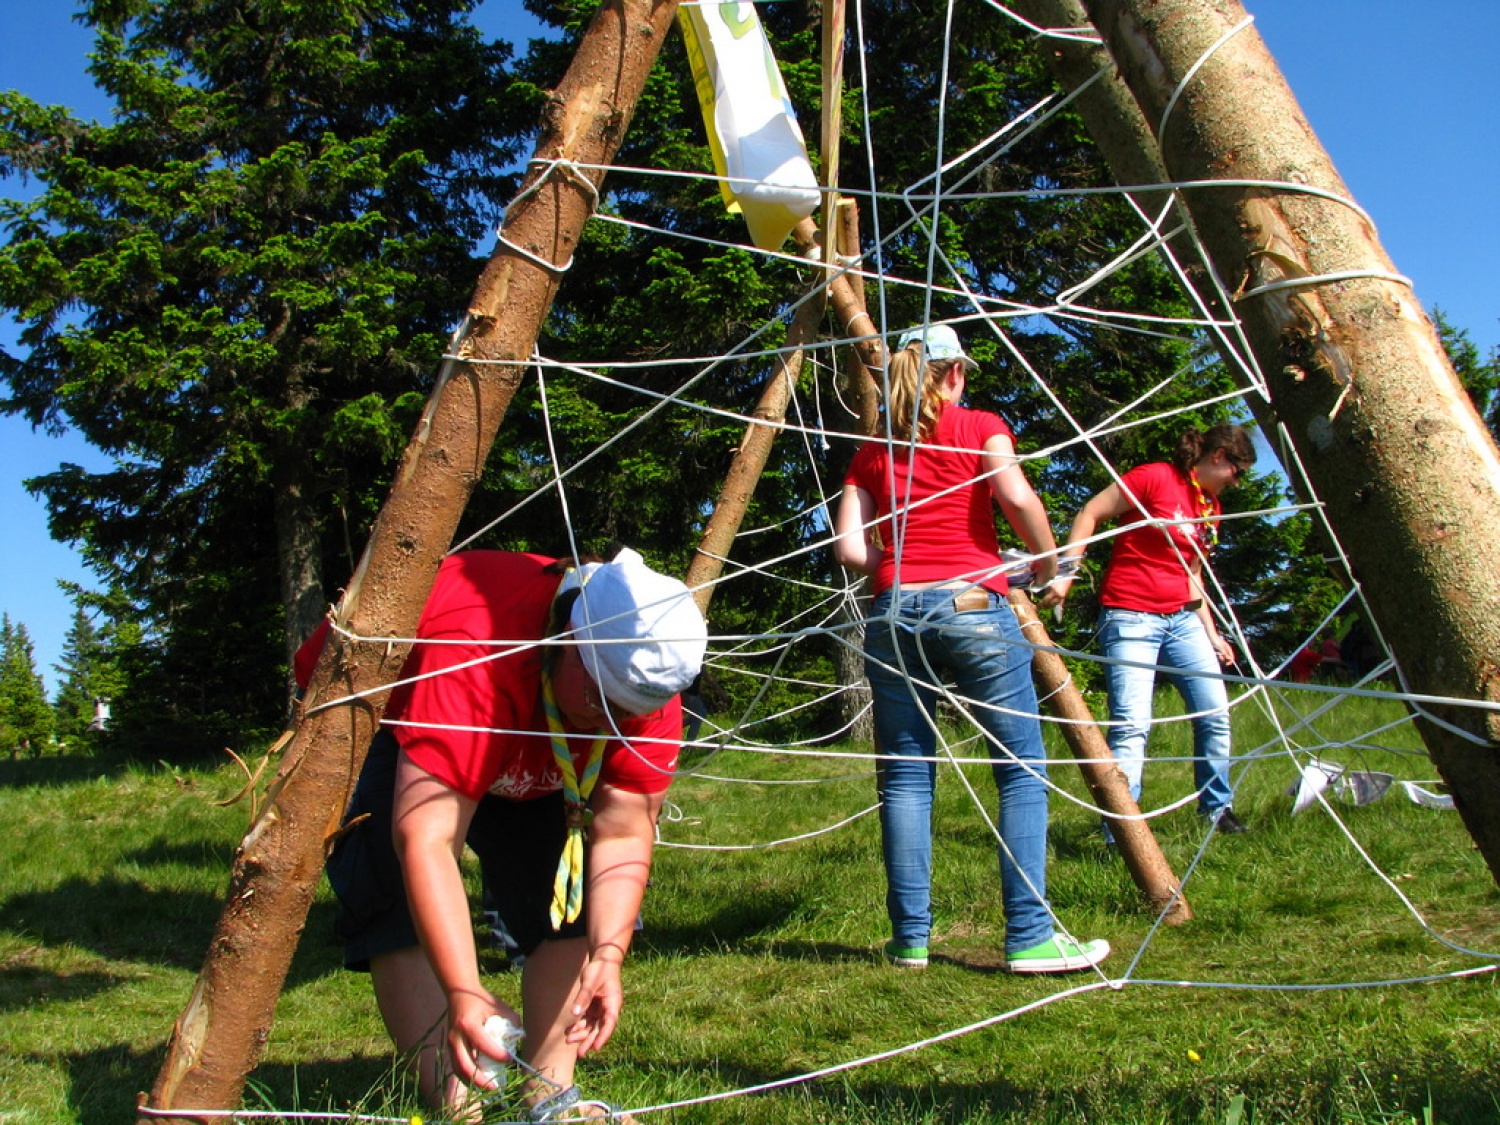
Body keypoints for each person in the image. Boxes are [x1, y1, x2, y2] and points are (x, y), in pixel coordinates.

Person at [295, 548, 707, 1116]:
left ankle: (550, 1097)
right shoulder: (477, 649)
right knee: (390, 900)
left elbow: (625, 830)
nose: (607, 721)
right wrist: (466, 989)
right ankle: (456, 1102)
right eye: (598, 700)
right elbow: (426, 837)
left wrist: (609, 955)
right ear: (568, 639)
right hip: (380, 706)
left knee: (570, 901)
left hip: (528, 732)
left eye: (625, 713)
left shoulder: (648, 677)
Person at [833, 323, 1110, 975]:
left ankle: (910, 940)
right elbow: (1015, 496)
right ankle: (1031, 935)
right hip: (973, 604)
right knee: (1019, 768)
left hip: (894, 611)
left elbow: (847, 549)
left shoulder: (873, 447)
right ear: (954, 372)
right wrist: (1049, 569)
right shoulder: (981, 423)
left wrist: (897, 563)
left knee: (905, 775)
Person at [1041, 424, 1255, 835]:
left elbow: (1194, 575)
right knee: (1133, 724)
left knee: (1215, 713)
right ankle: (1122, 829)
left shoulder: (1210, 505)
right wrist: (1066, 574)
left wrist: (1212, 635)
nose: (1237, 481)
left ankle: (1216, 810)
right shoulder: (1156, 476)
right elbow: (1091, 512)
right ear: (1218, 457)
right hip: (1130, 616)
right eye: (1238, 470)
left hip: (1183, 619)